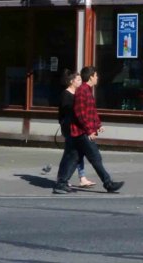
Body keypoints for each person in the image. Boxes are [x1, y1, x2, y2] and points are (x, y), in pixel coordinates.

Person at [53, 66, 124, 195]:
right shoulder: (82, 92)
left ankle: (61, 183)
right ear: (91, 77)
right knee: (94, 157)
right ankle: (108, 183)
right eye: (96, 76)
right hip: (80, 132)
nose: (97, 78)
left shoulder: (86, 91)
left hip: (79, 132)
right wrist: (89, 130)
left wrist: (98, 125)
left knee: (73, 157)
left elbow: (91, 112)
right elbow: (80, 113)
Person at [53, 70, 96, 188]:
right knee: (71, 154)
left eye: (81, 80)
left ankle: (78, 178)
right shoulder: (66, 94)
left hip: (76, 128)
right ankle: (64, 179)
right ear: (72, 81)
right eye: (78, 80)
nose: (80, 82)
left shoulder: (77, 93)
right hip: (69, 129)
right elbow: (68, 111)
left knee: (76, 153)